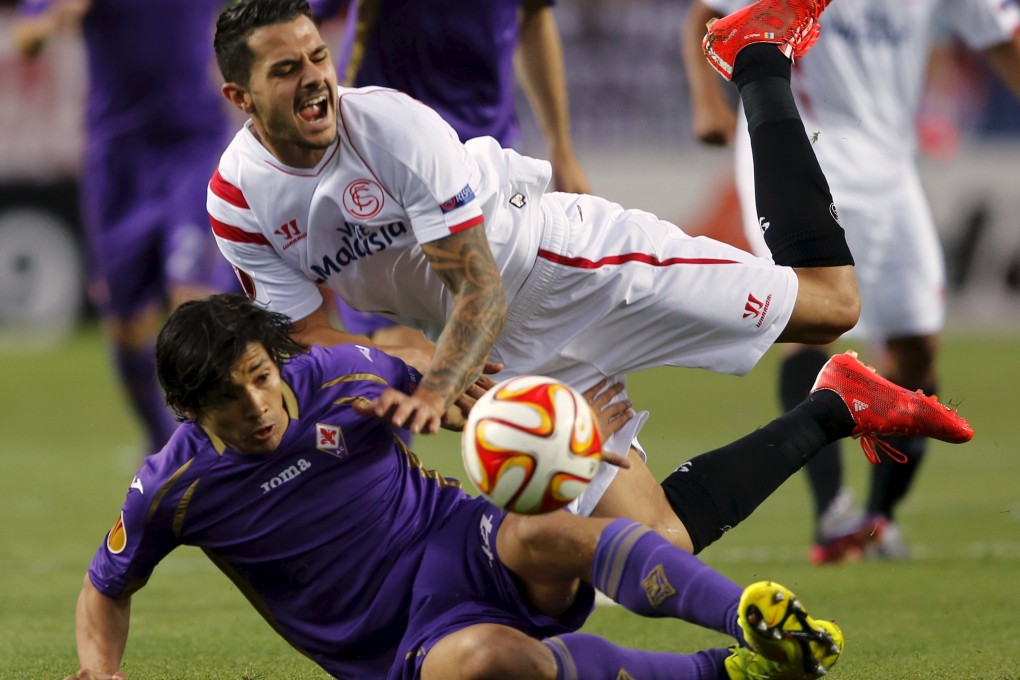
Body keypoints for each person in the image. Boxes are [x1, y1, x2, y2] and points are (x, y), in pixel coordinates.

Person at [206, 0, 976, 552]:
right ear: (241, 98)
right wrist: (401, 363)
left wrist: (436, 386)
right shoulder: (240, 200)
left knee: (831, 304)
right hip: (497, 357)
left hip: (565, 267)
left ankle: (758, 57)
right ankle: (836, 405)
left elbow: (480, 287)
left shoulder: (391, 127)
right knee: (657, 547)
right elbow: (306, 335)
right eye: (286, 70)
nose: (315, 80)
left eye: (317, 56)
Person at [67, 293, 973, 679]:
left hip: (462, 542)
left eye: (262, 375)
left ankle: (755, 617)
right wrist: (98, 670)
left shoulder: (338, 374)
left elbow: (467, 404)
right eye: (231, 398)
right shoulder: (171, 490)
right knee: (488, 666)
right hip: (405, 644)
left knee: (553, 531)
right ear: (189, 411)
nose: (260, 404)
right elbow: (106, 588)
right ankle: (728, 672)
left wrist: (572, 443)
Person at [682, 0, 1020, 562]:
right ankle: (834, 514)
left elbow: (1001, 38)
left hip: (891, 168)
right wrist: (706, 101)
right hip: (798, 152)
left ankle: (877, 520)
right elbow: (705, 15)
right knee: (813, 323)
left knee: (917, 352)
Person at [12, 0, 240, 456]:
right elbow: (24, 39)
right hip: (118, 158)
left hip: (191, 146)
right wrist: (54, 20)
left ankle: (210, 451)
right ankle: (161, 439)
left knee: (191, 303)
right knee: (124, 325)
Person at [308, 0, 591, 353]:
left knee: (501, 344)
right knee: (409, 352)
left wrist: (561, 148)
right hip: (387, 159)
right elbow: (303, 24)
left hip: (485, 158)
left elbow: (533, 19)